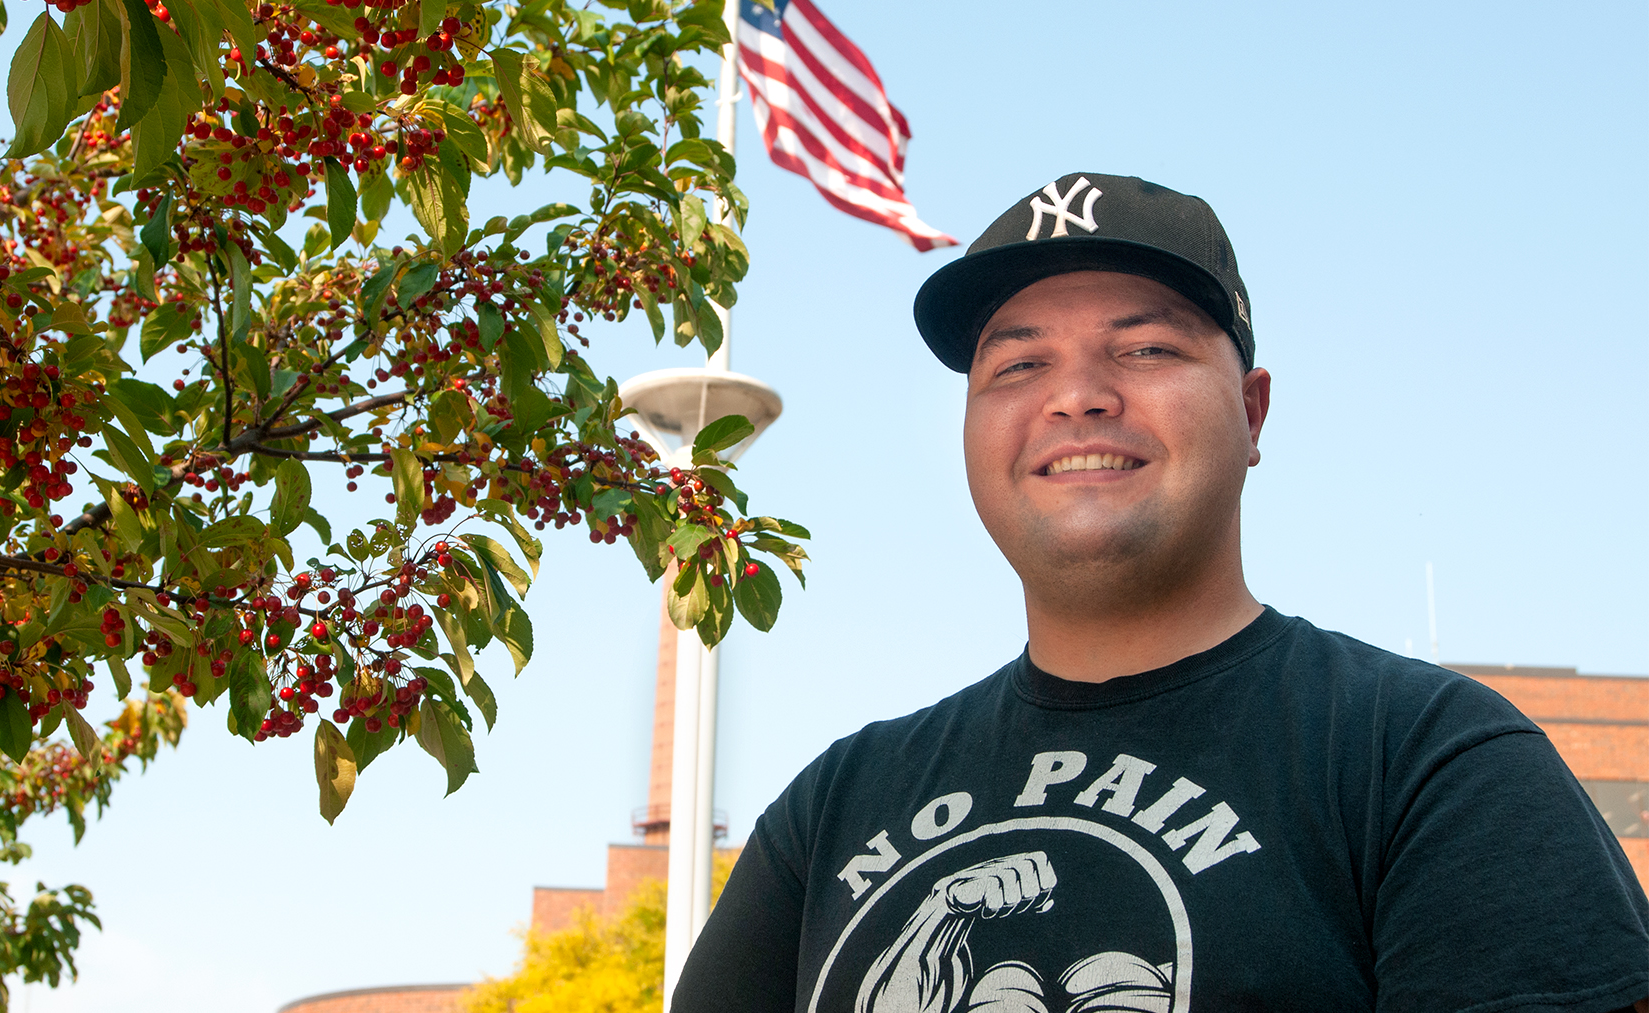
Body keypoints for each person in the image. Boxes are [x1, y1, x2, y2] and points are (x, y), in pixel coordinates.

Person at [671, 173, 1649, 1012]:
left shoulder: (1427, 759)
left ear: (1253, 409)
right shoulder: (832, 805)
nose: (1078, 394)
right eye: (1017, 363)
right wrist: (941, 911)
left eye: (1145, 348)